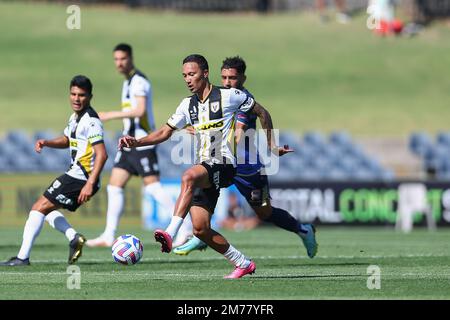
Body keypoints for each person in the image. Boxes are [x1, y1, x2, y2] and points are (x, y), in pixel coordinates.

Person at [119, 54, 288, 278]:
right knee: (201, 229)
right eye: (185, 75)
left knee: (188, 176)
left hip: (224, 164)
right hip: (206, 167)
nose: (188, 79)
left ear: (205, 74)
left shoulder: (230, 96)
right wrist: (137, 142)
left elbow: (262, 112)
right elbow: (164, 132)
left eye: (192, 74)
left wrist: (272, 146)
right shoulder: (186, 105)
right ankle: (243, 263)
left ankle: (170, 233)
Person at [173, 56, 318, 258]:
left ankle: (303, 230)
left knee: (264, 213)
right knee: (202, 191)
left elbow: (240, 131)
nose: (227, 82)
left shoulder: (241, 100)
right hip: (221, 161)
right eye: (223, 77)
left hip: (246, 166)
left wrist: (272, 146)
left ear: (243, 78)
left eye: (232, 78)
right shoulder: (219, 97)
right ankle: (201, 235)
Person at [0, 75, 108, 266]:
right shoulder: (75, 118)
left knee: (37, 208)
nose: (76, 98)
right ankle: (74, 238)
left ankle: (22, 257)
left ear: (90, 96)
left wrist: (90, 183)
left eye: (81, 95)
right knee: (46, 210)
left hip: (81, 177)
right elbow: (67, 140)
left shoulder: (91, 121)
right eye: (73, 94)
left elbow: (102, 154)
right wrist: (47, 142)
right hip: (78, 175)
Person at [86, 43, 175, 247]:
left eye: (122, 59)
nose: (119, 63)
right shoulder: (128, 82)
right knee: (114, 186)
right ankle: (109, 235)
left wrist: (109, 115)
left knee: (152, 187)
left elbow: (140, 111)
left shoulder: (139, 81)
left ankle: (184, 226)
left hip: (141, 141)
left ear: (131, 58)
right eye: (116, 59)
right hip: (128, 142)